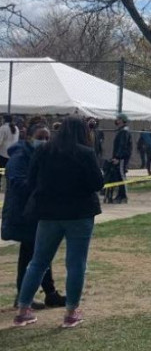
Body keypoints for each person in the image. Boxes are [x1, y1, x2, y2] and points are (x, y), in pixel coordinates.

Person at [12, 116, 105, 328]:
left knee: (38, 262)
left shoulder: (43, 151)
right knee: (76, 263)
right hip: (80, 214)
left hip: (48, 214)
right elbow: (97, 183)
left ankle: (23, 309)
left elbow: (31, 181)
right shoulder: (86, 153)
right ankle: (71, 312)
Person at [2, 124, 66, 310]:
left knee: (42, 252)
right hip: (23, 214)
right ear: (29, 137)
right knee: (30, 254)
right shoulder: (19, 157)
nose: (44, 141)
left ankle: (50, 293)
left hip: (39, 212)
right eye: (40, 137)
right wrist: (42, 185)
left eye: (47, 138)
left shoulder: (44, 156)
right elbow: (18, 185)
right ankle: (23, 296)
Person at [110, 114, 132, 204]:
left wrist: (118, 157)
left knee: (122, 176)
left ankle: (124, 196)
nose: (116, 120)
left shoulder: (124, 131)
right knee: (118, 176)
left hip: (122, 157)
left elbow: (122, 146)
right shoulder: (121, 130)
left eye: (118, 119)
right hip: (119, 157)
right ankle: (120, 195)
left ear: (122, 120)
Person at [0, 114, 20, 185]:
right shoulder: (16, 128)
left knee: (1, 168)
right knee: (10, 169)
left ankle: (1, 180)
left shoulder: (3, 128)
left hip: (3, 153)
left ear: (4, 119)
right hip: (13, 153)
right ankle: (9, 183)